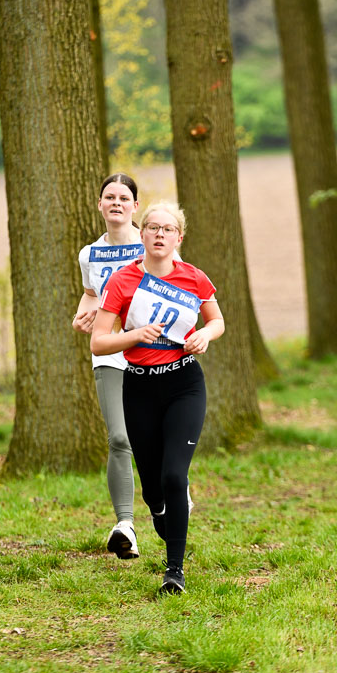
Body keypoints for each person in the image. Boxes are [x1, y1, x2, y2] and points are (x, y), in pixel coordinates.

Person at [91, 201, 225, 593]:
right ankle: (162, 515)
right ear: (143, 234)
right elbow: (99, 342)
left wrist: (205, 334)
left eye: (168, 229)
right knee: (152, 487)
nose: (160, 234)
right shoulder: (121, 281)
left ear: (178, 237)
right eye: (152, 227)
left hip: (183, 383)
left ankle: (174, 571)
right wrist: (133, 335)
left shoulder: (194, 278)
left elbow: (216, 320)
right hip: (139, 386)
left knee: (173, 475)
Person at [73, 173, 144, 560]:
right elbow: (89, 295)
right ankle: (126, 526)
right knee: (119, 438)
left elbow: (178, 288)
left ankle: (173, 486)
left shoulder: (152, 242)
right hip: (108, 353)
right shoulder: (89, 254)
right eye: (109, 197)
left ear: (135, 206)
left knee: (153, 437)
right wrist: (81, 316)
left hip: (152, 350)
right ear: (99, 205)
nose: (116, 202)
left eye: (123, 197)